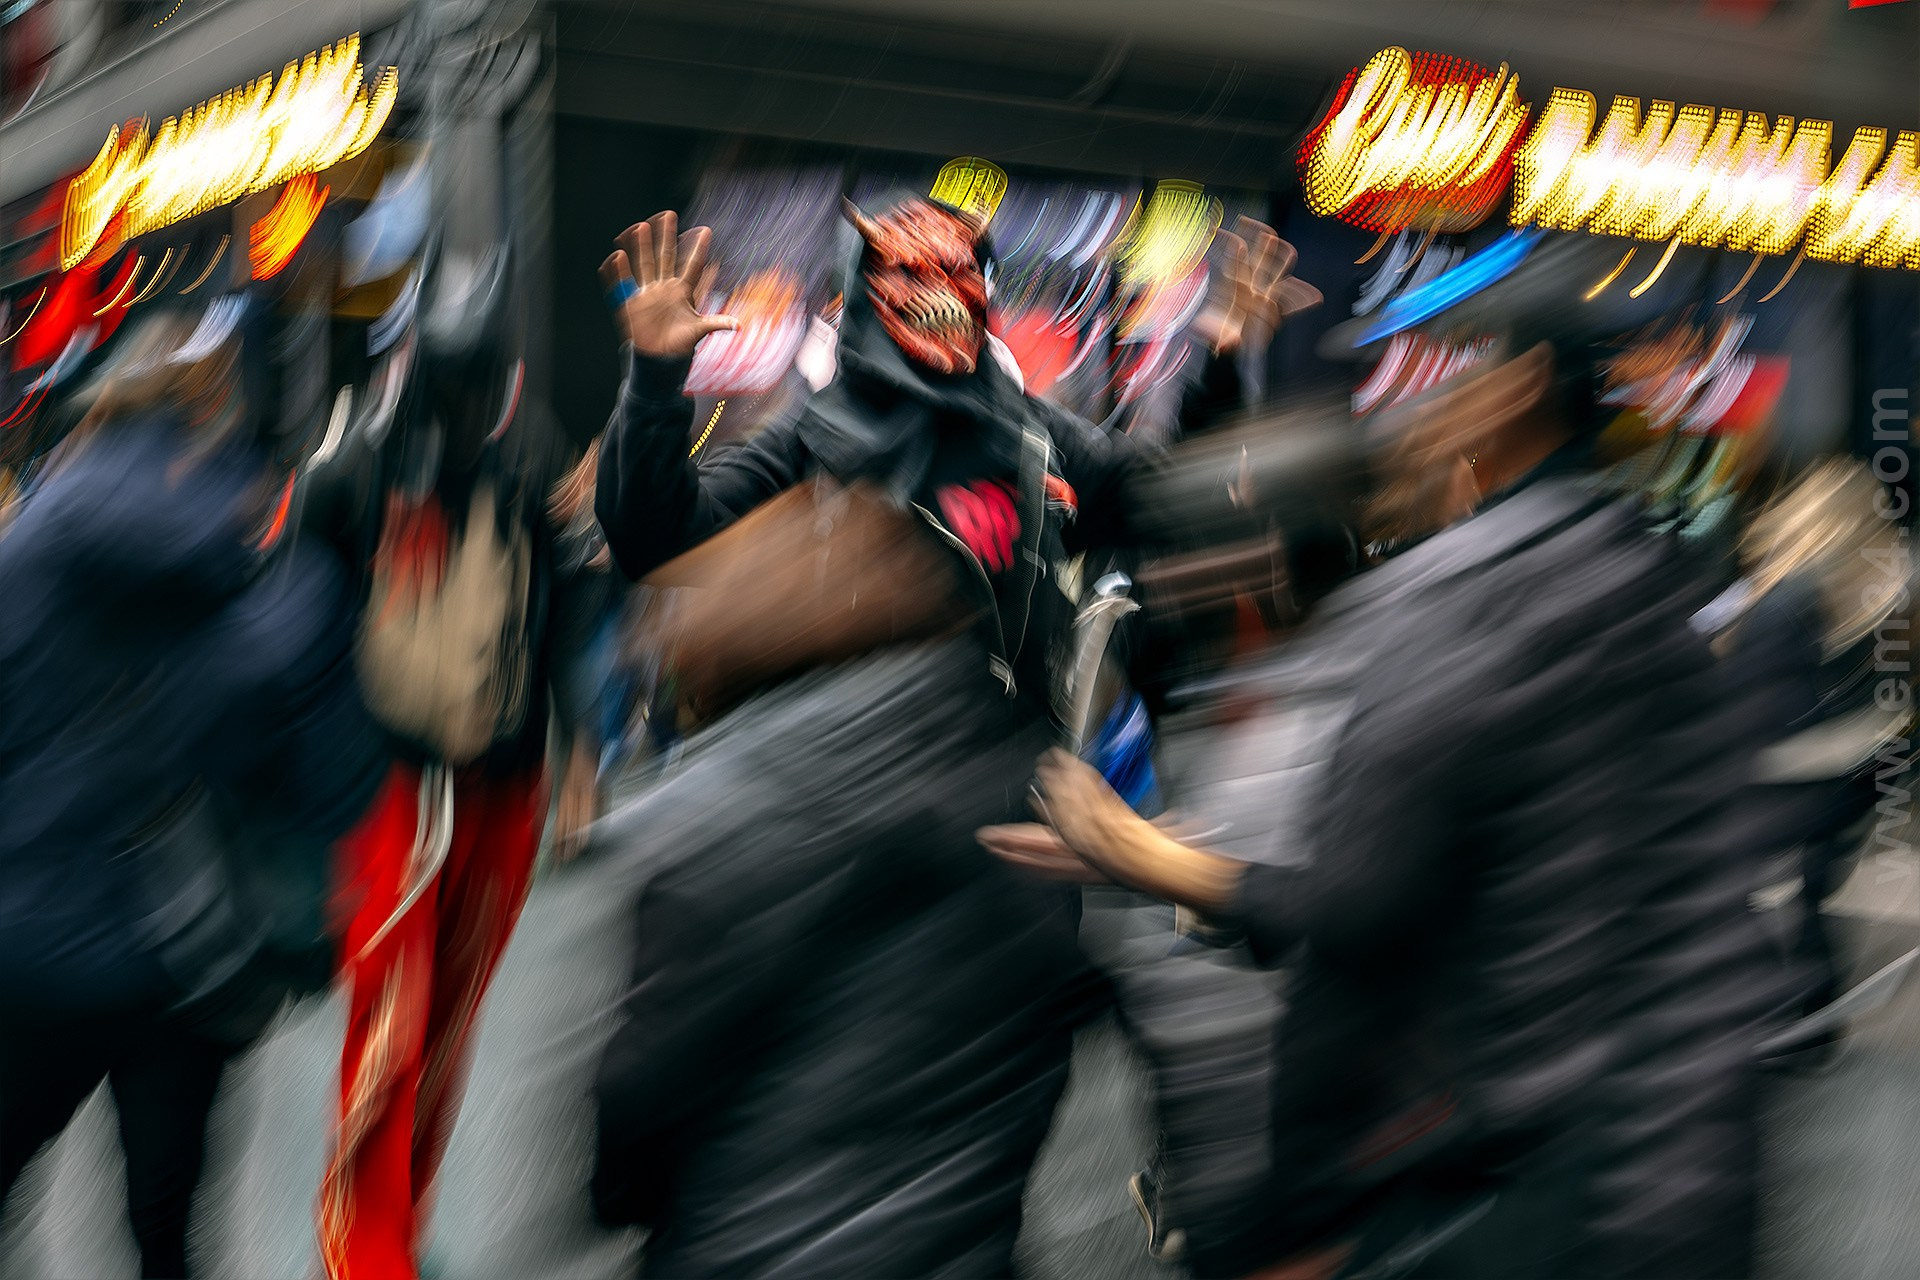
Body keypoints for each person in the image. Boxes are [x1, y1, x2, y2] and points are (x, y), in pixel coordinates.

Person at [586, 195, 1310, 1277]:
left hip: (998, 832)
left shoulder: (1032, 435)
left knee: (975, 1122)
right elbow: (656, 537)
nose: (940, 294)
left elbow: (1159, 501)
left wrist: (1217, 362)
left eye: (960, 269)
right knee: (821, 1093)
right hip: (822, 829)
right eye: (911, 273)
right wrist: (654, 379)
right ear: (865, 290)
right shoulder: (814, 439)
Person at [986, 333, 1794, 1279]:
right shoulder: (1623, 572)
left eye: (1452, 384)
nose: (1422, 419)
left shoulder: (1432, 633)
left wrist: (1146, 857)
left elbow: (1347, 917)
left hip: (1545, 1169)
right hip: (1657, 1135)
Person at [0, 304, 386, 1279]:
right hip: (195, 950)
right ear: (214, 420)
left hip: (32, 943)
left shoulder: (30, 547)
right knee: (168, 1225)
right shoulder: (275, 574)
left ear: (98, 414)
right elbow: (340, 776)